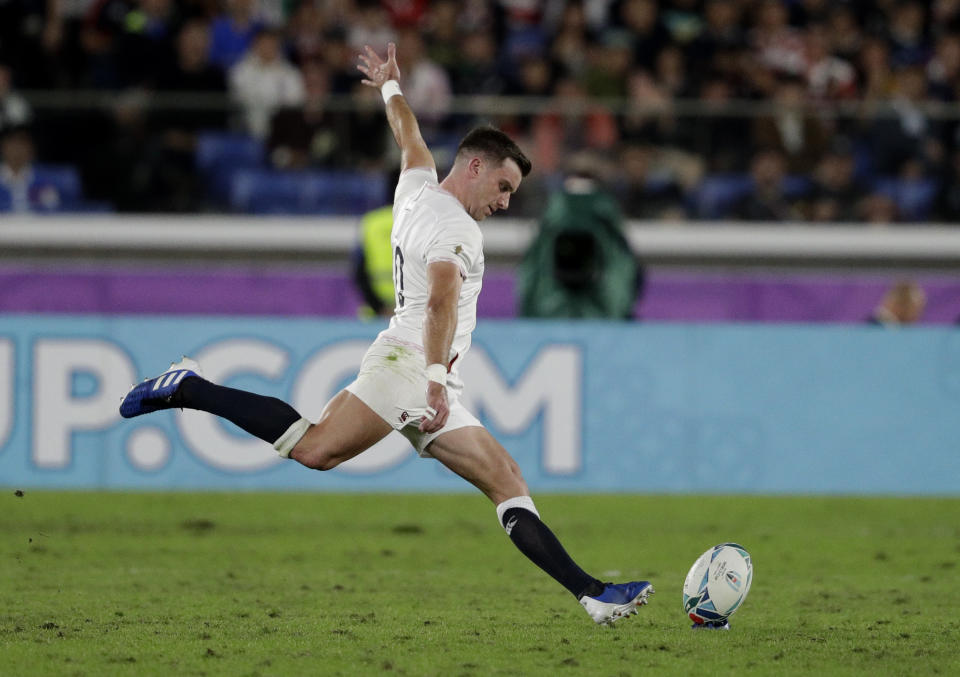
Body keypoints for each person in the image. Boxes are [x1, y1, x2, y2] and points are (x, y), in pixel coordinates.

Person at [119, 42, 653, 626]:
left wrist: (390, 88)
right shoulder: (458, 230)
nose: (504, 203)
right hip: (411, 367)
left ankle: (594, 594)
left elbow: (409, 136)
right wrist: (433, 380)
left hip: (415, 365)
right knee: (318, 449)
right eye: (502, 187)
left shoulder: (416, 186)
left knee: (493, 478)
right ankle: (188, 387)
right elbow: (443, 300)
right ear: (474, 166)